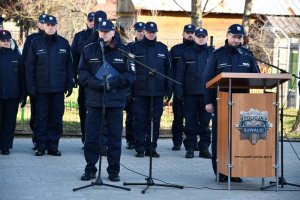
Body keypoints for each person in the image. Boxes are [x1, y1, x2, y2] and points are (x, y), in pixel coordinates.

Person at [78, 19, 135, 182]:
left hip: (115, 101)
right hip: (95, 100)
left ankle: (113, 170)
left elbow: (131, 75)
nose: (103, 34)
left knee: (115, 137)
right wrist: (96, 83)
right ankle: (90, 169)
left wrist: (114, 82)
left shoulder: (125, 51)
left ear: (113, 32)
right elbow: (82, 73)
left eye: (106, 31)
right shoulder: (89, 50)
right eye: (100, 31)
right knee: (92, 137)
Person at [203, 24, 260, 182]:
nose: (237, 40)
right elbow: (207, 79)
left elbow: (257, 77)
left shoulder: (247, 55)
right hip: (220, 101)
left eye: (239, 37)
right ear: (228, 35)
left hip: (242, 104)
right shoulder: (217, 55)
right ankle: (220, 171)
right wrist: (208, 101)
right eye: (234, 36)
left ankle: (235, 170)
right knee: (220, 137)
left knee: (238, 137)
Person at [25, 15, 74, 156]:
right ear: (43, 26)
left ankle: (53, 146)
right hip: (41, 90)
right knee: (41, 118)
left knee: (56, 119)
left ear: (56, 26)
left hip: (58, 90)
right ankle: (40, 146)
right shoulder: (36, 43)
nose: (50, 27)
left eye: (53, 25)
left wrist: (70, 84)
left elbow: (69, 66)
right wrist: (31, 87)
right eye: (48, 25)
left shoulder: (64, 44)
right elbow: (29, 68)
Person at [129, 21, 173, 158]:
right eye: (148, 32)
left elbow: (169, 70)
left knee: (155, 120)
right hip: (140, 91)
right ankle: (140, 147)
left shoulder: (162, 49)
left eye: (153, 32)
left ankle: (151, 147)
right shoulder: (134, 48)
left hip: (157, 91)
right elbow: (129, 69)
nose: (151, 34)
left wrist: (169, 89)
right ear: (144, 32)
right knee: (140, 120)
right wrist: (129, 90)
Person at [175, 28, 214, 159]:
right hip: (189, 93)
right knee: (190, 122)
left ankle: (204, 148)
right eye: (199, 36)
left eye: (203, 36)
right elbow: (180, 73)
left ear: (207, 38)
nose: (201, 38)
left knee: (205, 122)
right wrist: (179, 90)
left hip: (206, 94)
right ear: (195, 37)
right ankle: (190, 148)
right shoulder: (187, 53)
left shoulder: (213, 53)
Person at [22, 13, 47, 150]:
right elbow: (26, 62)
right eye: (42, 22)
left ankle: (47, 140)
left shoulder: (56, 39)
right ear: (38, 24)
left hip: (49, 85)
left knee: (49, 115)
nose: (44, 25)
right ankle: (37, 139)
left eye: (46, 23)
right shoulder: (32, 39)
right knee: (36, 114)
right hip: (36, 84)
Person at [170, 24, 195, 151]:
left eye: (192, 32)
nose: (190, 35)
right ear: (183, 34)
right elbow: (170, 70)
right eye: (188, 32)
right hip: (179, 88)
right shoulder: (175, 50)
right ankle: (177, 141)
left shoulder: (199, 50)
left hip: (194, 89)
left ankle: (193, 142)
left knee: (193, 118)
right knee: (178, 117)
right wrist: (173, 88)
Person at [0, 30, 26, 155]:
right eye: (2, 40)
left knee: (9, 121)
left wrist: (23, 94)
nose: (5, 42)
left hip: (12, 95)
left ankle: (6, 146)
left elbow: (22, 77)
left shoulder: (17, 56)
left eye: (7, 40)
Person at [71, 12, 95, 145]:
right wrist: (73, 76)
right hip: (85, 80)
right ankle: (86, 137)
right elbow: (73, 57)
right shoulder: (80, 36)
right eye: (90, 20)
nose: (92, 22)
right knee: (84, 110)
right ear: (87, 21)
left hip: (102, 80)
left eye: (95, 20)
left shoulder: (107, 35)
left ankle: (100, 140)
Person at [125, 22, 145, 150]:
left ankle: (142, 140)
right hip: (133, 86)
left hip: (145, 86)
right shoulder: (130, 47)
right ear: (135, 32)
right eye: (139, 31)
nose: (141, 33)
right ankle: (130, 139)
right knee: (131, 116)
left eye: (143, 31)